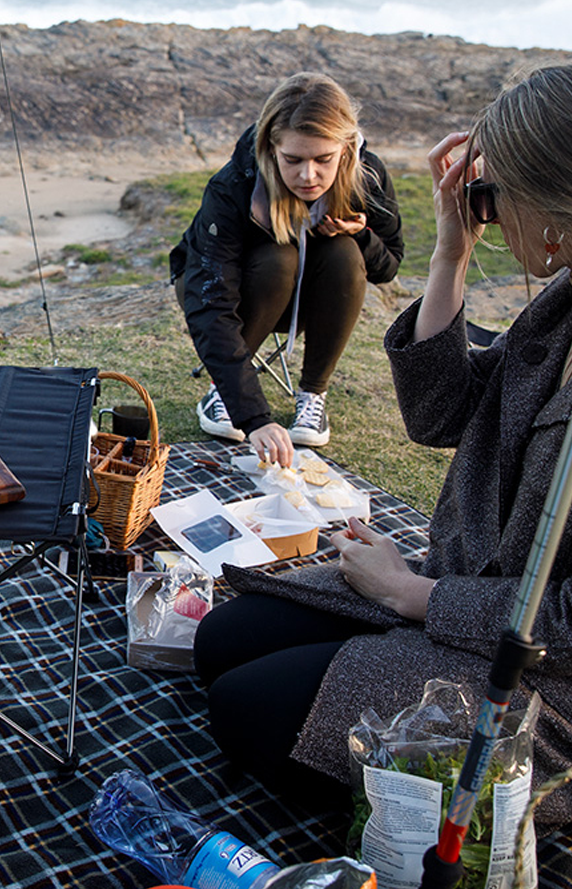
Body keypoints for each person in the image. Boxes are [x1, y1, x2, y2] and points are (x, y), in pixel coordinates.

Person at [192, 64, 572, 825]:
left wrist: (410, 594)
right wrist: (450, 254)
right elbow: (439, 415)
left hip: (541, 677)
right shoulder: (563, 301)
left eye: (491, 198)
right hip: (470, 596)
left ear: (555, 206)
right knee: (221, 643)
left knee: (245, 711)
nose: (484, 213)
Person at [169, 73, 403, 462]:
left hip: (314, 299)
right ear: (270, 147)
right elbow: (209, 300)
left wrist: (361, 234)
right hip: (236, 289)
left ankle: (313, 394)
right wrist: (254, 415)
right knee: (279, 258)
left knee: (345, 253)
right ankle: (222, 393)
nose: (307, 175)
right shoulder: (234, 185)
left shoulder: (368, 177)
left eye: (323, 159)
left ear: (345, 149)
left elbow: (388, 266)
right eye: (292, 159)